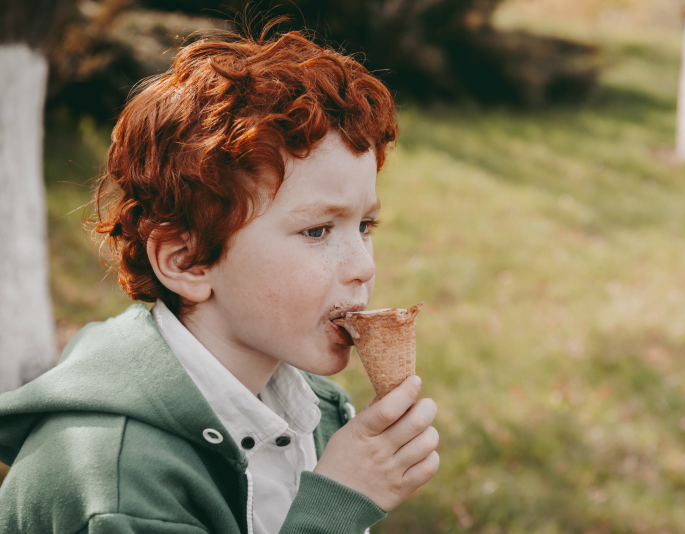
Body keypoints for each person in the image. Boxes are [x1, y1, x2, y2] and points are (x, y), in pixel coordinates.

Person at [0, 25, 439, 534]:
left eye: (364, 226)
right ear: (188, 263)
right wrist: (337, 506)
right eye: (317, 230)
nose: (364, 264)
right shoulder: (123, 482)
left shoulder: (312, 412)